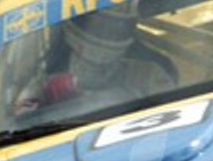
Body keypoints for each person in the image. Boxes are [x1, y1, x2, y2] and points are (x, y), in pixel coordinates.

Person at [14, 9, 176, 115]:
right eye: (99, 25)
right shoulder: (46, 84)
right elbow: (23, 120)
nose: (106, 33)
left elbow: (171, 114)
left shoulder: (149, 74)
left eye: (114, 28)